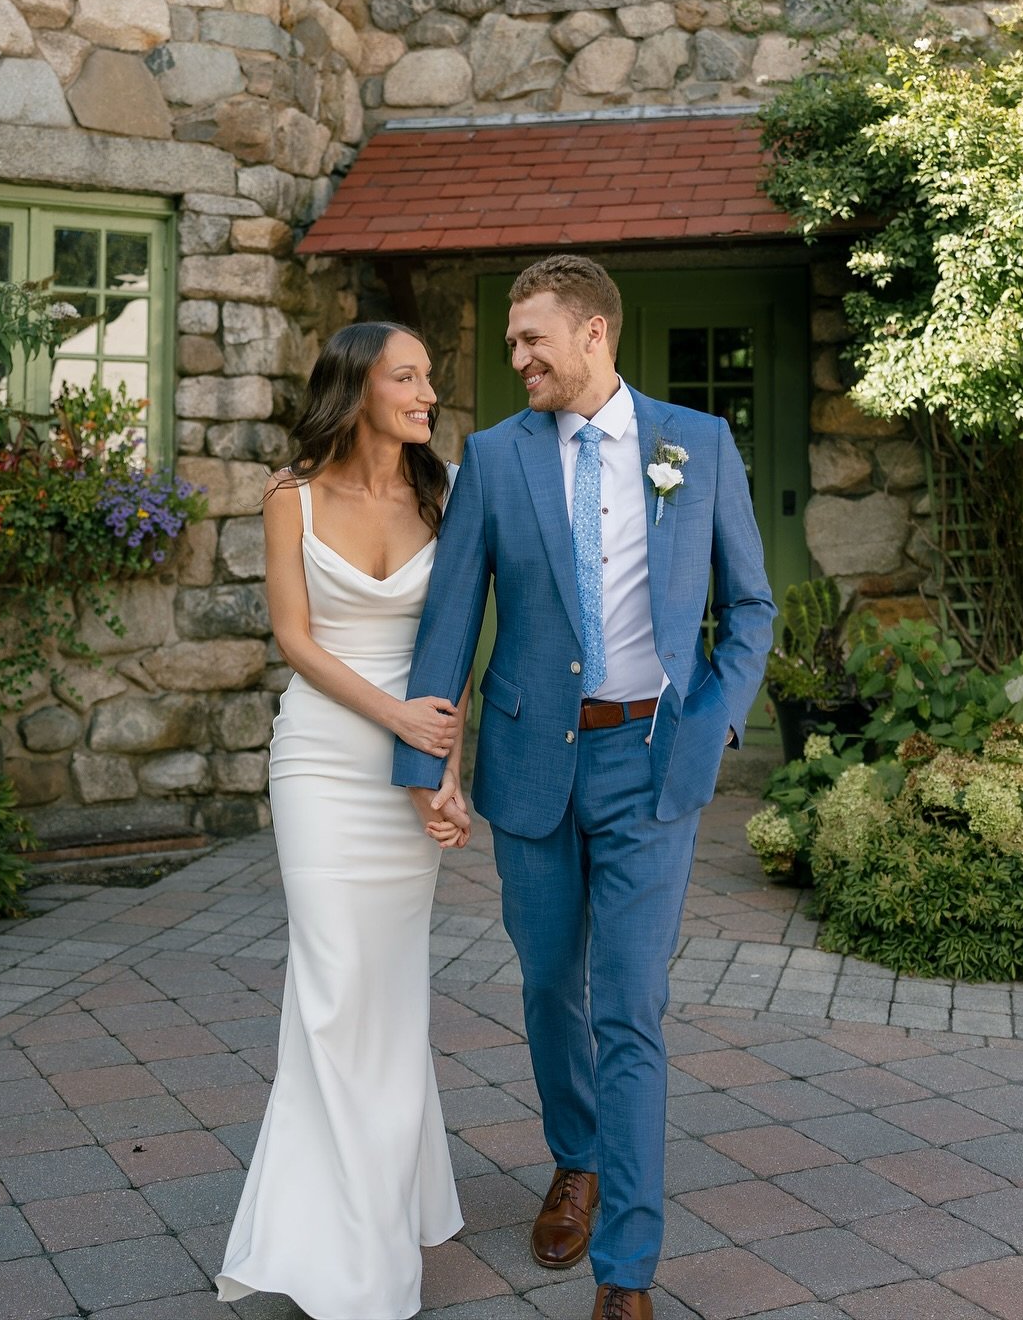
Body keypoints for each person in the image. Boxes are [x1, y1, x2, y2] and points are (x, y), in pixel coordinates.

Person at [394, 254, 774, 1320]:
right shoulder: (495, 459)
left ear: (596, 334)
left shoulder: (695, 444)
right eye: (512, 342)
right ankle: (578, 1157)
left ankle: (627, 1271)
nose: (517, 358)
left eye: (532, 341)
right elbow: (452, 620)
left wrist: (713, 723)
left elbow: (751, 608)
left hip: (655, 761)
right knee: (549, 983)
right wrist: (428, 767)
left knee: (634, 1006)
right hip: (531, 764)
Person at [217, 322, 468, 1320]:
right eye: (407, 376)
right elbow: (296, 639)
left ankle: (389, 1198)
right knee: (330, 993)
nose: (426, 392)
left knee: (391, 997)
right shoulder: (292, 497)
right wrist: (397, 715)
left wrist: (445, 768)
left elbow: (456, 646)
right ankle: (348, 1258)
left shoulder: (444, 495)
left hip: (410, 775)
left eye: (428, 378)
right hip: (321, 762)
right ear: (357, 388)